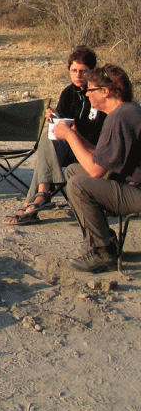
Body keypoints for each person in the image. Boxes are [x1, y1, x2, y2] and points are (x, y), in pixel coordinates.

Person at [53, 64, 141, 273]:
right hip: (131, 183)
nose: (87, 94)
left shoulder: (120, 117)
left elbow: (95, 171)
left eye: (90, 90)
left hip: (137, 190)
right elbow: (104, 156)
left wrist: (70, 136)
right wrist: (78, 135)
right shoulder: (126, 111)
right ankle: (106, 239)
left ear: (106, 91)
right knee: (73, 170)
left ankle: (103, 252)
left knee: (78, 185)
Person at [4, 46, 106, 225]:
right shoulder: (68, 93)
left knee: (49, 142)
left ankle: (35, 200)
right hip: (70, 146)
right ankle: (42, 194)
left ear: (92, 71)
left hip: (90, 150)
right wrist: (55, 118)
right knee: (48, 137)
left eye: (83, 71)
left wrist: (72, 132)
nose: (78, 75)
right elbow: (63, 122)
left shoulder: (98, 94)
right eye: (73, 70)